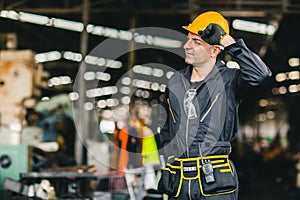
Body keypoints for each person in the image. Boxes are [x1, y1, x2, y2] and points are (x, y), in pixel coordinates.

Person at [156, 11, 272, 200]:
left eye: (197, 42)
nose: (187, 46)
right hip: (179, 182)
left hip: (214, 182)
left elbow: (261, 75)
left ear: (214, 50)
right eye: (188, 40)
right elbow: (166, 128)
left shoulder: (229, 81)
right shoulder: (175, 82)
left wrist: (228, 41)